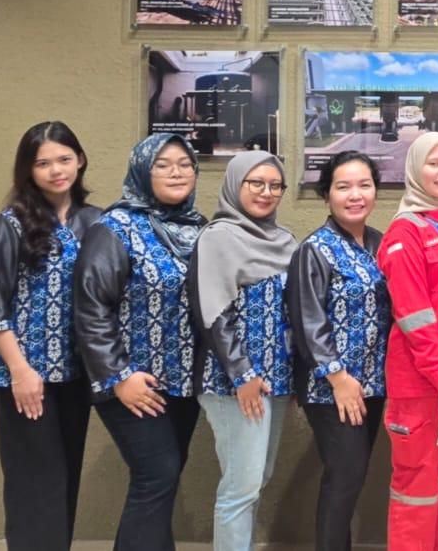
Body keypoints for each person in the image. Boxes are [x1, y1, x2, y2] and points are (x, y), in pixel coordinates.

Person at [73, 133, 207, 551]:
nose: (176, 172)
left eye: (185, 164)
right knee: (157, 475)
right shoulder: (114, 228)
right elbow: (91, 307)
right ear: (142, 171)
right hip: (132, 383)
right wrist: (118, 375)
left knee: (162, 479)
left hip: (183, 382)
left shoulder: (200, 229)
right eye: (163, 164)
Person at [0, 122, 101, 551]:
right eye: (43, 163)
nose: (55, 170)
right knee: (35, 483)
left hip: (77, 375)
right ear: (28, 170)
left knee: (64, 479)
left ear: (80, 160)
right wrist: (20, 371)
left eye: (64, 159)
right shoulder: (8, 225)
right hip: (25, 376)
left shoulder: (96, 221)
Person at [187, 151, 297, 551]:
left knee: (256, 479)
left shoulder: (286, 241)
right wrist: (243, 375)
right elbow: (214, 313)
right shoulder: (218, 238)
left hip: (276, 381)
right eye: (256, 183)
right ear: (235, 185)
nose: (266, 193)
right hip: (234, 382)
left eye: (275, 185)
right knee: (240, 486)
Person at [379, 133, 438, 550]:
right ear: (415, 169)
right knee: (416, 487)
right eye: (433, 163)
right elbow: (414, 315)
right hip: (423, 385)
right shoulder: (405, 233)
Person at [290, 151, 390, 551]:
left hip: (373, 384)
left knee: (353, 475)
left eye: (364, 185)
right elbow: (307, 320)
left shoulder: (381, 243)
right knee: (345, 475)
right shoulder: (315, 249)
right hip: (332, 387)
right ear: (327, 194)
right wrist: (338, 378)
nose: (355, 195)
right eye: (343, 186)